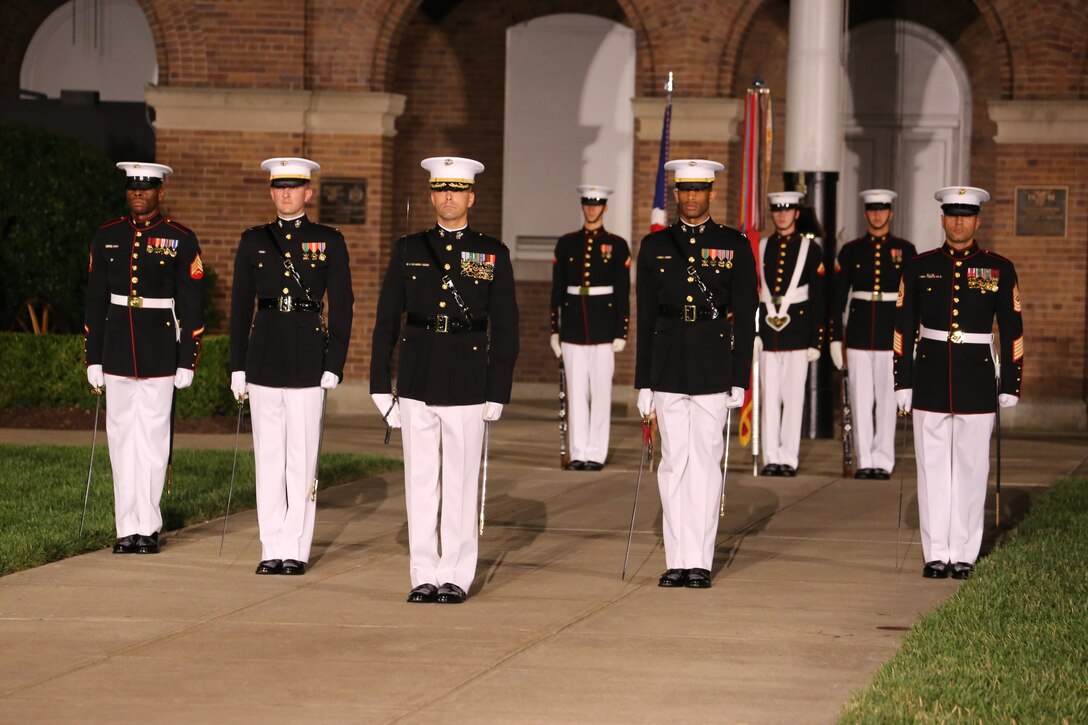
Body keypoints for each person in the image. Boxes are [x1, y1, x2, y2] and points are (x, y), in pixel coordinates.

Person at [370, 156, 519, 604]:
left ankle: (456, 573)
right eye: (441, 189)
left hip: (468, 378)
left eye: (457, 190)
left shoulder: (492, 253)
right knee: (420, 481)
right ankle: (422, 573)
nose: (448, 197)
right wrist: (381, 383)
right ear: (432, 195)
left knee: (459, 481)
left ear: (471, 196)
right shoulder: (408, 249)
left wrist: (499, 388)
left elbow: (507, 325)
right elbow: (385, 321)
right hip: (417, 376)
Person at [634, 159, 757, 589]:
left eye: (698, 190)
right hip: (667, 363)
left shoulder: (733, 245)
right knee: (673, 465)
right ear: (677, 195)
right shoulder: (654, 246)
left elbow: (745, 316)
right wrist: (643, 382)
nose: (690, 198)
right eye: (683, 191)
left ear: (711, 193)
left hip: (711, 364)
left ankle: (700, 560)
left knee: (705, 464)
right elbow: (646, 316)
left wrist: (740, 377)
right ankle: (676, 559)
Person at [229, 157, 354, 576]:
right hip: (263, 353)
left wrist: (333, 359)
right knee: (268, 458)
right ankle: (271, 546)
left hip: (306, 356)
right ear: (271, 192)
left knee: (301, 459)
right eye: (278, 187)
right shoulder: (253, 240)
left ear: (308, 193)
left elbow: (343, 305)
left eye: (293, 187)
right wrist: (237, 366)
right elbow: (238, 307)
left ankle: (296, 548)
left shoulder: (328, 240)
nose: (285, 194)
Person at [893, 186, 1023, 580]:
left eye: (966, 214)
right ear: (943, 219)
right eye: (952, 214)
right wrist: (903, 379)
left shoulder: (999, 268)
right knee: (932, 470)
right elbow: (901, 326)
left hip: (977, 378)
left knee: (970, 468)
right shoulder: (919, 266)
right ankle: (936, 553)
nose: (959, 221)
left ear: (978, 219)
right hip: (930, 377)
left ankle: (964, 551)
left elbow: (1013, 330)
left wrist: (1011, 384)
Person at [84, 162, 205, 555]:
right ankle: (125, 528)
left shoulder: (180, 238)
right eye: (133, 187)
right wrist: (93, 357)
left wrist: (187, 357)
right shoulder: (107, 235)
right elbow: (95, 301)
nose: (139, 193)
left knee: (153, 442)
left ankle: (148, 527)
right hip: (117, 346)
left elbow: (192, 303)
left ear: (161, 192)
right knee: (121, 442)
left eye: (147, 187)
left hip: (158, 350)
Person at [830, 189, 917, 480]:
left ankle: (884, 460)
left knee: (887, 400)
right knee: (861, 399)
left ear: (890, 213)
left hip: (891, 335)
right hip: (858, 334)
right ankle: (865, 459)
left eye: (882, 210)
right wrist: (835, 337)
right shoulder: (851, 250)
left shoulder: (906, 250)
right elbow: (838, 297)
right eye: (872, 210)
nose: (877, 215)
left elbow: (913, 299)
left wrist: (913, 336)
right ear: (866, 213)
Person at [548, 184, 631, 471]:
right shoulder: (567, 243)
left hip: (603, 328)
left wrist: (622, 330)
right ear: (583, 206)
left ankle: (596, 453)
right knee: (576, 393)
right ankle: (578, 452)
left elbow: (622, 291)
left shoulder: (617, 245)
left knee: (600, 392)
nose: (592, 208)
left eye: (597, 204)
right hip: (572, 327)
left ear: (605, 207)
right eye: (587, 203)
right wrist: (554, 329)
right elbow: (557, 289)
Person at [755, 191, 826, 477]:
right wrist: (754, 331)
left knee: (793, 398)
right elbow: (754, 293)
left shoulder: (811, 249)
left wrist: (816, 338)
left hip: (798, 332)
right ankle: (771, 457)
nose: (782, 215)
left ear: (797, 213)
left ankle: (788, 458)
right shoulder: (761, 247)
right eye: (777, 210)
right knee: (769, 399)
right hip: (769, 334)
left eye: (788, 210)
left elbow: (819, 297)